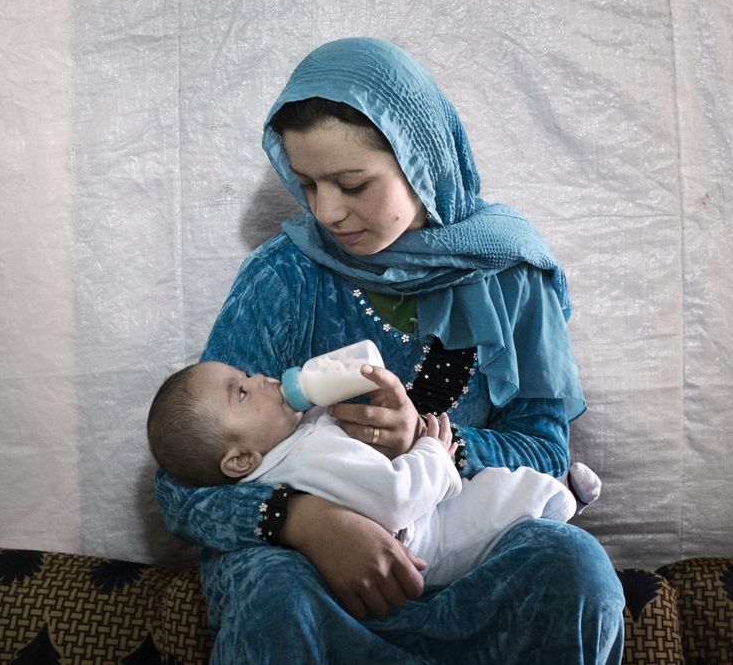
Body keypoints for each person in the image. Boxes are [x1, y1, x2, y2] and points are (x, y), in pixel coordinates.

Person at [155, 37, 625, 663]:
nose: (327, 212)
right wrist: (303, 522)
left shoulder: (511, 278)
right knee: (272, 593)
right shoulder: (286, 277)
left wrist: (436, 444)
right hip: (315, 577)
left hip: (464, 562)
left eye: (352, 184)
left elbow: (543, 452)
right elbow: (184, 479)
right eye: (307, 185)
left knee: (575, 567)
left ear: (421, 161)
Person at [147, 359, 578, 587]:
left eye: (245, 374)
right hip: (428, 541)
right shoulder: (308, 455)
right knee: (499, 500)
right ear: (240, 460)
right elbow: (396, 498)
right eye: (242, 391)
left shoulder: (284, 447)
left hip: (420, 517)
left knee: (493, 492)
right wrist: (433, 450)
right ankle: (563, 497)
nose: (260, 377)